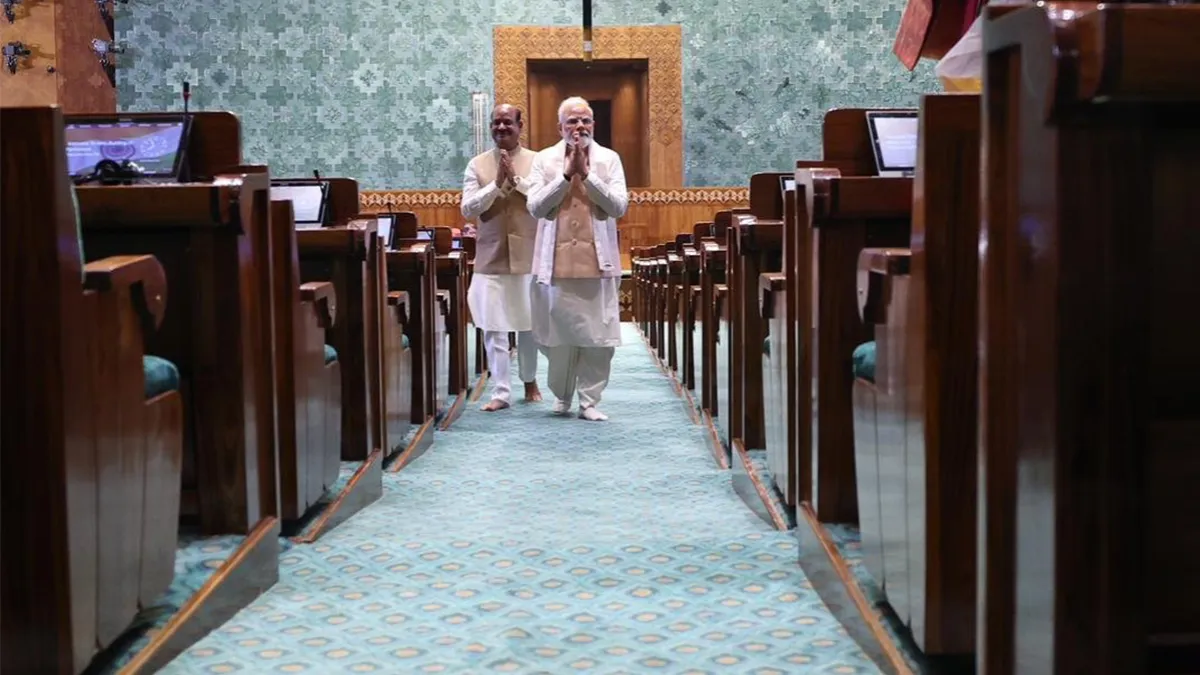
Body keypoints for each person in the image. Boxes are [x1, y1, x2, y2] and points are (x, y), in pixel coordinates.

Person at [526, 96, 628, 421]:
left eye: (585, 120)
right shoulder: (544, 160)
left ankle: (590, 401)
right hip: (554, 265)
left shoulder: (609, 159)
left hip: (597, 263)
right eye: (572, 121)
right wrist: (566, 176)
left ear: (594, 125)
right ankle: (562, 393)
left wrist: (587, 176)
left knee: (597, 338)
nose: (579, 126)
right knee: (556, 337)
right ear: (560, 127)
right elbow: (536, 207)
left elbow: (618, 207)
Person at [461, 104, 542, 411]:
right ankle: (500, 392)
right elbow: (468, 209)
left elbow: (542, 199)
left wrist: (515, 181)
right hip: (491, 255)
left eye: (508, 123)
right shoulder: (477, 164)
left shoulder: (538, 162)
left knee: (528, 326)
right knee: (493, 326)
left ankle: (530, 381)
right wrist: (495, 185)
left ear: (521, 126)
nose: (501, 128)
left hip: (528, 255)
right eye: (496, 123)